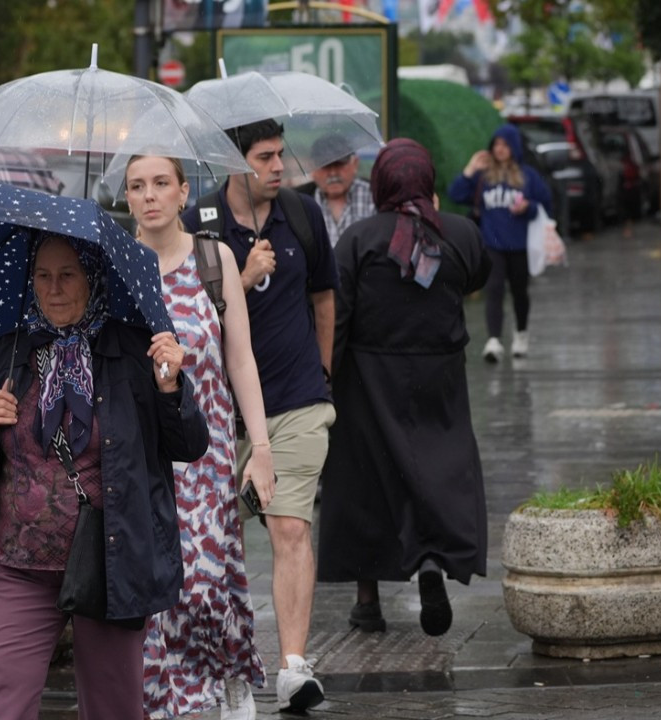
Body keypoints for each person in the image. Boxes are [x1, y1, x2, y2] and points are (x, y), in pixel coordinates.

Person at [0, 233, 209, 720]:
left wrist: (171, 387)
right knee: (2, 705)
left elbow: (189, 445)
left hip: (109, 562)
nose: (52, 289)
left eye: (67, 275)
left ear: (93, 278)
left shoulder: (136, 349)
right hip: (18, 558)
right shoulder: (13, 348)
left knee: (114, 707)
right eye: (42, 276)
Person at [181, 118, 338, 714]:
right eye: (265, 157)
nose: (279, 167)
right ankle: (229, 664)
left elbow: (324, 297)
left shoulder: (301, 215)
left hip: (297, 402)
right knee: (219, 545)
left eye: (281, 156)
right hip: (221, 414)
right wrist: (239, 282)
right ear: (234, 163)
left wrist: (322, 375)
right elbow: (188, 322)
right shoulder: (198, 225)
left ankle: (294, 666)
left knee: (290, 526)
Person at [318, 138, 490, 637]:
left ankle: (367, 601)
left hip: (370, 380)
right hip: (440, 378)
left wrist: (326, 376)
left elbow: (339, 311)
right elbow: (478, 274)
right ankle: (432, 560)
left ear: (383, 182)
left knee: (366, 484)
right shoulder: (459, 232)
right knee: (438, 471)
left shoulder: (358, 237)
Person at [125, 155, 272, 719]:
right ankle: (166, 702)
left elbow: (241, 360)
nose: (150, 195)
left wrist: (259, 449)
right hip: (144, 458)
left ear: (184, 192)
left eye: (161, 183)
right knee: (159, 591)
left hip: (206, 456)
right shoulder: (118, 266)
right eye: (137, 187)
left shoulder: (214, 258)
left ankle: (229, 673)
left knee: (208, 583)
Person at [447, 124, 552, 362]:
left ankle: (521, 334)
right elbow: (455, 194)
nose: (500, 150)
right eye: (496, 145)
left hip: (521, 246)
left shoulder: (528, 176)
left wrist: (529, 207)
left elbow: (546, 205)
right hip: (492, 244)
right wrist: (470, 168)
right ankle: (494, 340)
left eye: (505, 145)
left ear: (514, 147)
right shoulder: (484, 177)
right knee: (493, 290)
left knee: (519, 292)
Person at [307, 135, 375, 247]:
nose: (333, 173)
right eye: (326, 166)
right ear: (312, 169)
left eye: (339, 164)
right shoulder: (302, 204)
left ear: (355, 163)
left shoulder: (373, 196)